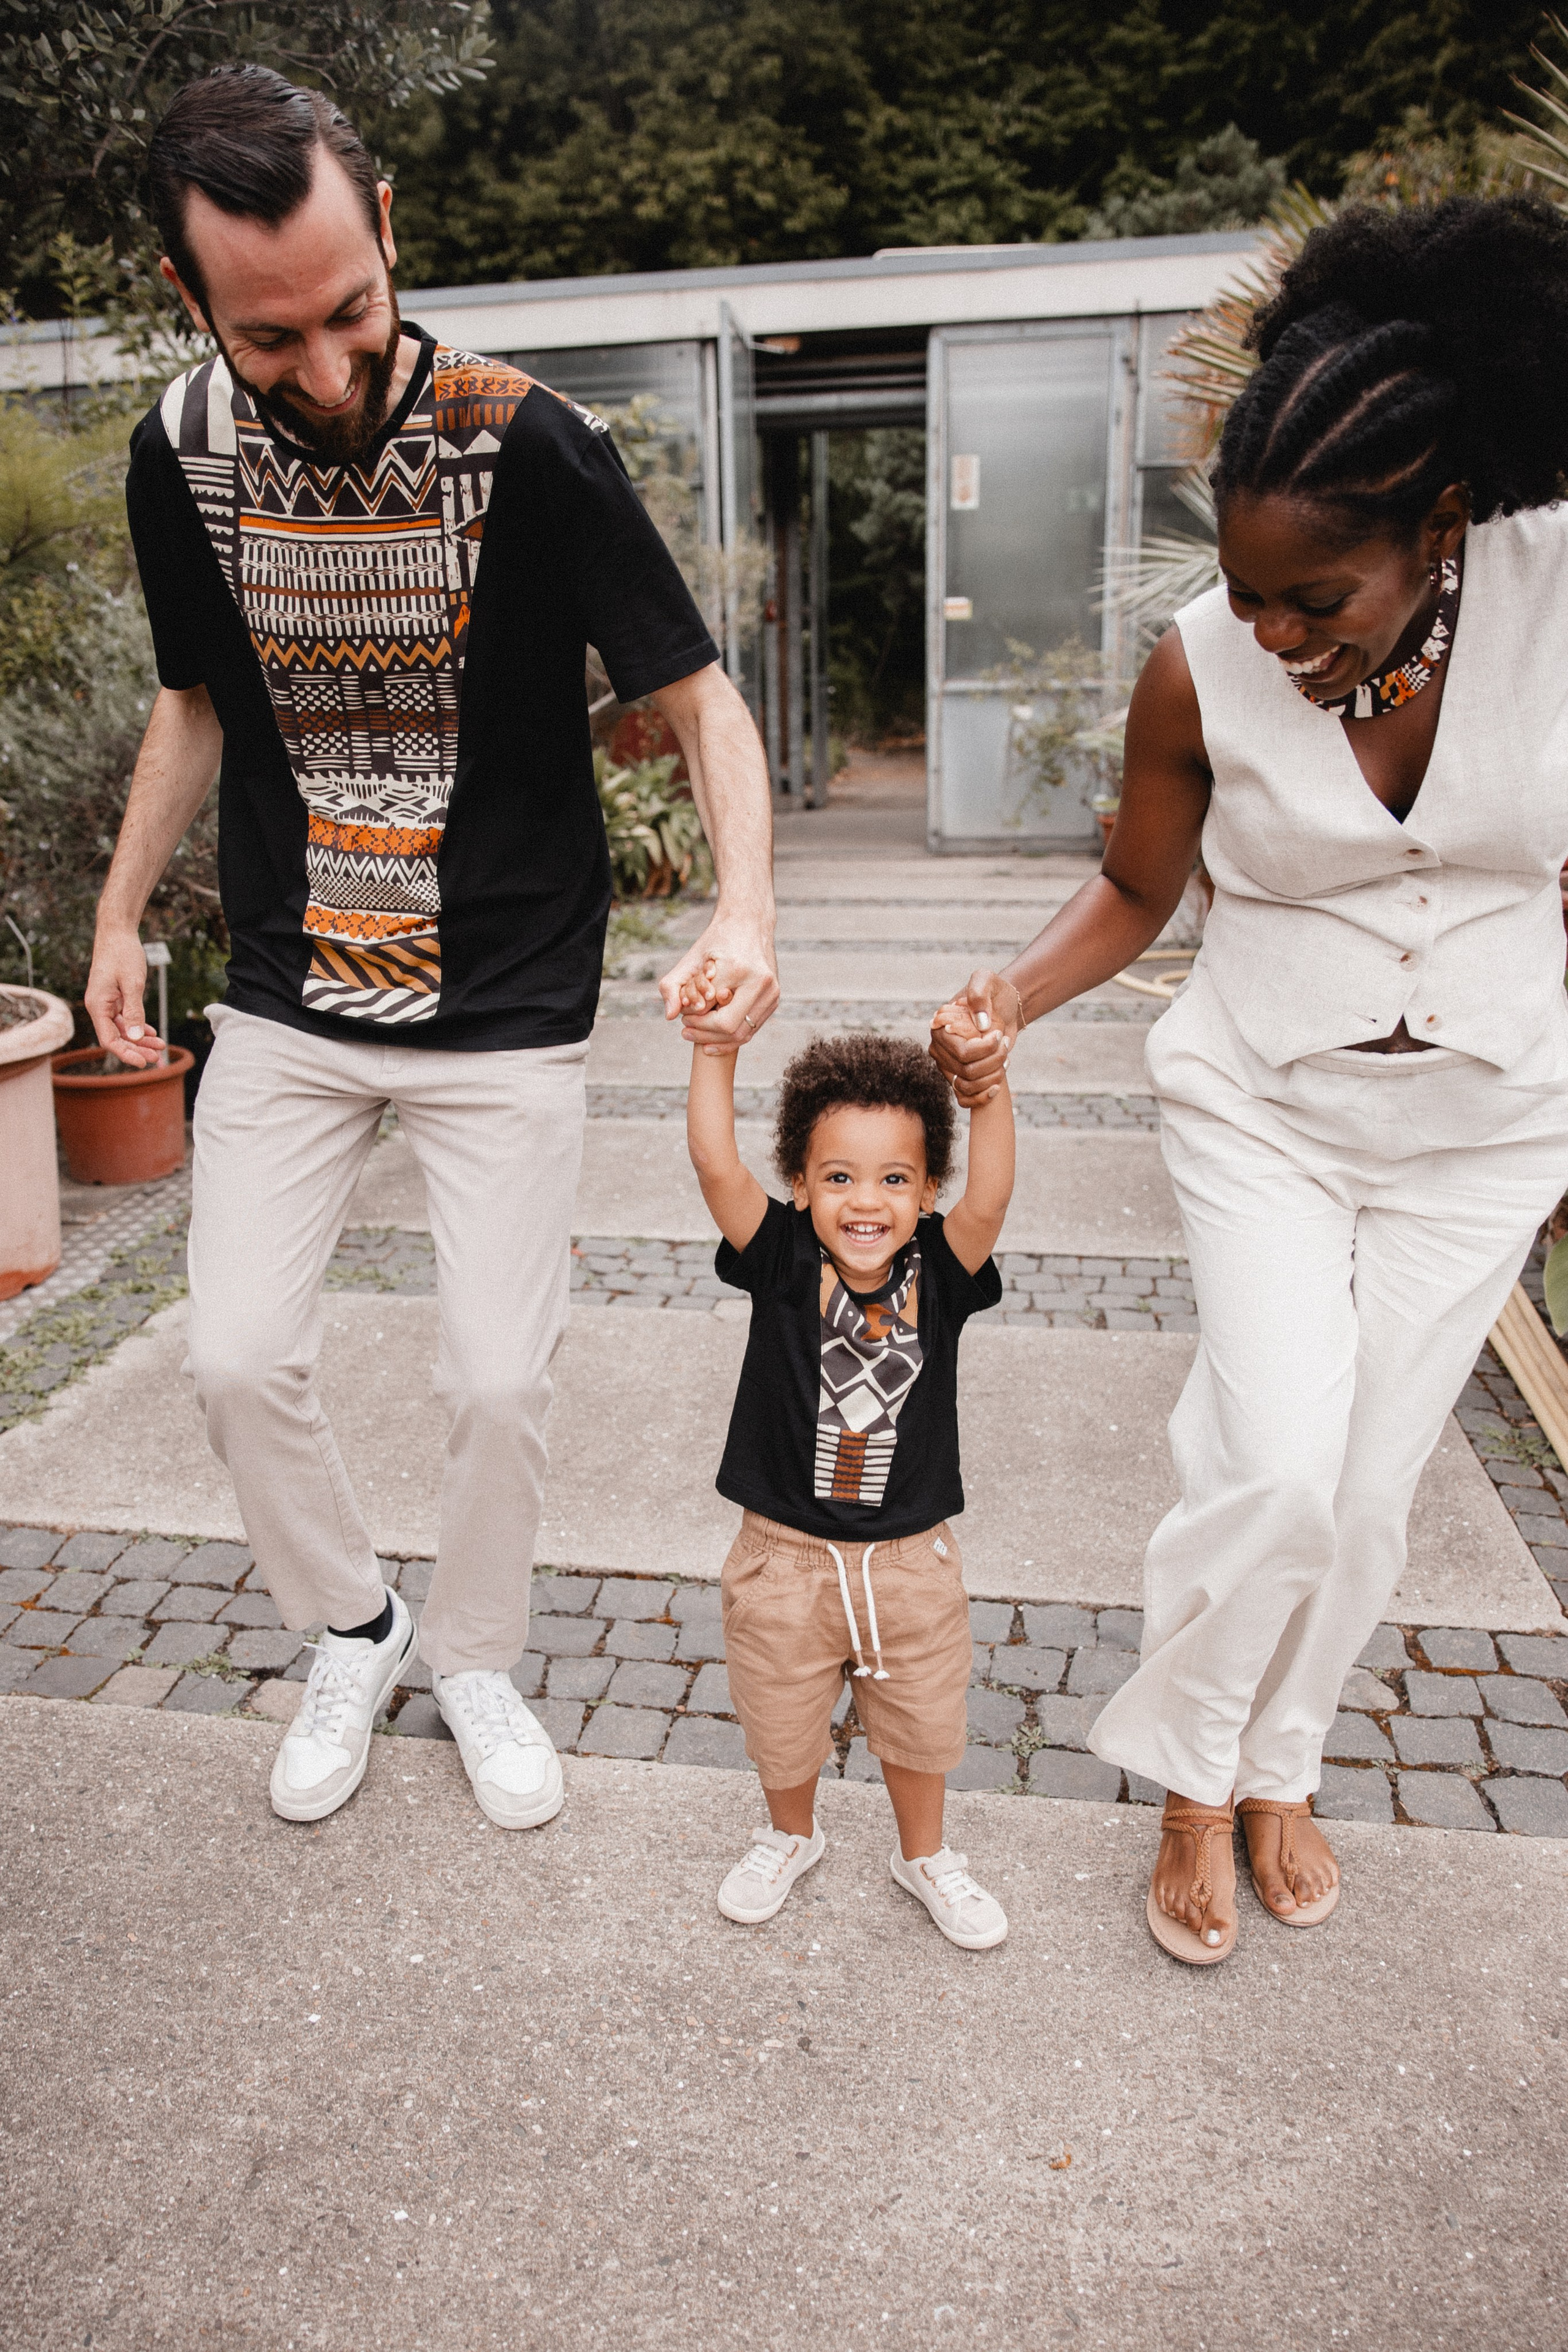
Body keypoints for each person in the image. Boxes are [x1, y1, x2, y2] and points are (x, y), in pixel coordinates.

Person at [86, 64, 777, 1830]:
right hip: (289, 995)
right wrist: (111, 924)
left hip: (509, 1011)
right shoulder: (179, 456)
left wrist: (748, 906)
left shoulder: (532, 442)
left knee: (498, 1378)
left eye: (349, 314)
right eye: (267, 341)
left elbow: (702, 704)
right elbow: (190, 708)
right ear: (189, 299)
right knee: (235, 1358)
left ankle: (474, 1654)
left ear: (388, 230)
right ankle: (357, 1622)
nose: (320, 374)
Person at [929, 196, 1568, 1964]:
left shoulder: (1558, 597)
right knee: (1277, 1464)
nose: (1278, 636)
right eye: (1246, 591)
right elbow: (1142, 887)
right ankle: (1193, 1777)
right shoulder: (1201, 665)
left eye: (1318, 599)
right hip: (1266, 1107)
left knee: (1368, 1499)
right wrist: (1011, 999)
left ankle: (1282, 1764)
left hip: (1492, 1124)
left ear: (1440, 527)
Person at [685, 1012, 1015, 1948]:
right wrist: (715, 1050)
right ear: (799, 1183)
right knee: (781, 1718)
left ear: (926, 1190)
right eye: (838, 1177)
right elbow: (716, 1165)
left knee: (921, 1725)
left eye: (894, 1179)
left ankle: (926, 1857)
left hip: (910, 1563)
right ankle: (791, 1835)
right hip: (782, 1561)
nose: (864, 1201)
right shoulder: (782, 1258)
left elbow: (992, 1195)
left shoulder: (943, 1269)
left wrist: (987, 1089)